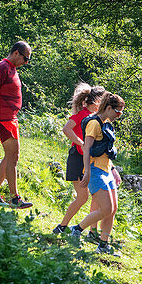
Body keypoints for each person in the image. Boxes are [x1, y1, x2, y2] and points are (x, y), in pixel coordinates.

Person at [69, 92, 124, 254]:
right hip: (94, 171)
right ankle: (77, 229)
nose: (119, 115)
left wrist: (113, 170)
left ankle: (103, 244)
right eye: (118, 111)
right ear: (108, 108)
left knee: (113, 209)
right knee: (106, 208)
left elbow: (105, 150)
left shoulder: (107, 123)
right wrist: (86, 172)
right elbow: (86, 149)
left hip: (107, 170)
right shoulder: (94, 123)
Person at [52, 83, 107, 237]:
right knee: (83, 197)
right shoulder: (82, 115)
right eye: (103, 101)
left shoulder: (94, 117)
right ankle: (62, 226)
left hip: (88, 161)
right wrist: (81, 143)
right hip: (77, 159)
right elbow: (66, 129)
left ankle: (92, 231)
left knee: (96, 196)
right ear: (97, 101)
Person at [0, 41, 33, 208]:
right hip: (3, 120)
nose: (26, 63)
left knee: (13, 156)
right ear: (16, 53)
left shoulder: (13, 69)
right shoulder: (2, 68)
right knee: (12, 157)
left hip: (11, 119)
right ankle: (15, 198)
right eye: (25, 58)